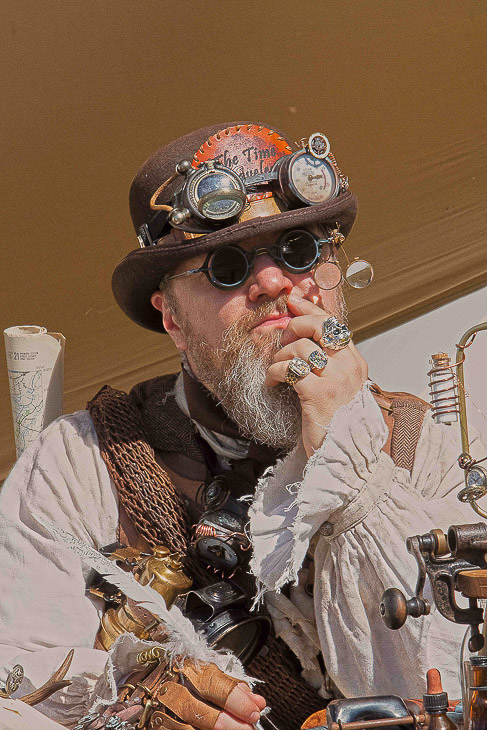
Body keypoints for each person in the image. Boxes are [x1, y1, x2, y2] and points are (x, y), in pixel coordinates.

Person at [0, 121, 482, 730]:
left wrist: (351, 461)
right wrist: (126, 708)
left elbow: (443, 678)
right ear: (172, 319)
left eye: (299, 252)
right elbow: (14, 678)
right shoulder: (80, 461)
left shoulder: (427, 447)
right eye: (226, 267)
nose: (274, 283)